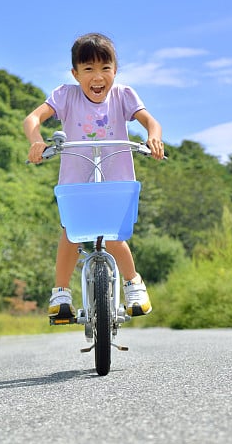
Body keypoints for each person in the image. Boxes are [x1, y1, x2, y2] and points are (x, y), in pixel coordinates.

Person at [24, 32, 164, 323]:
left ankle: (134, 283)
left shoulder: (123, 96)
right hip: (77, 180)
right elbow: (32, 119)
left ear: (115, 70)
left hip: (116, 177)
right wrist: (36, 140)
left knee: (114, 235)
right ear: (76, 73)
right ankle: (61, 293)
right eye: (88, 69)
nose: (97, 77)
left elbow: (150, 121)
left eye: (105, 68)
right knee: (71, 234)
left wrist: (153, 137)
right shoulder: (65, 95)